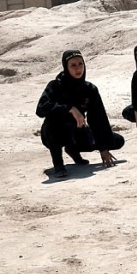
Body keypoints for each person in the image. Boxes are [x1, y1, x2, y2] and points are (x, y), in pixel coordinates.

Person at [36, 49, 125, 178]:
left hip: (76, 132)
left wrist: (103, 148)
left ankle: (72, 149)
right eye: (73, 65)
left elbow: (98, 118)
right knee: (53, 119)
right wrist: (70, 108)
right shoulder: (55, 86)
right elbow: (41, 109)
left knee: (117, 141)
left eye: (80, 64)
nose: (78, 69)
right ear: (66, 67)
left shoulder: (89, 89)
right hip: (54, 134)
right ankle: (58, 163)